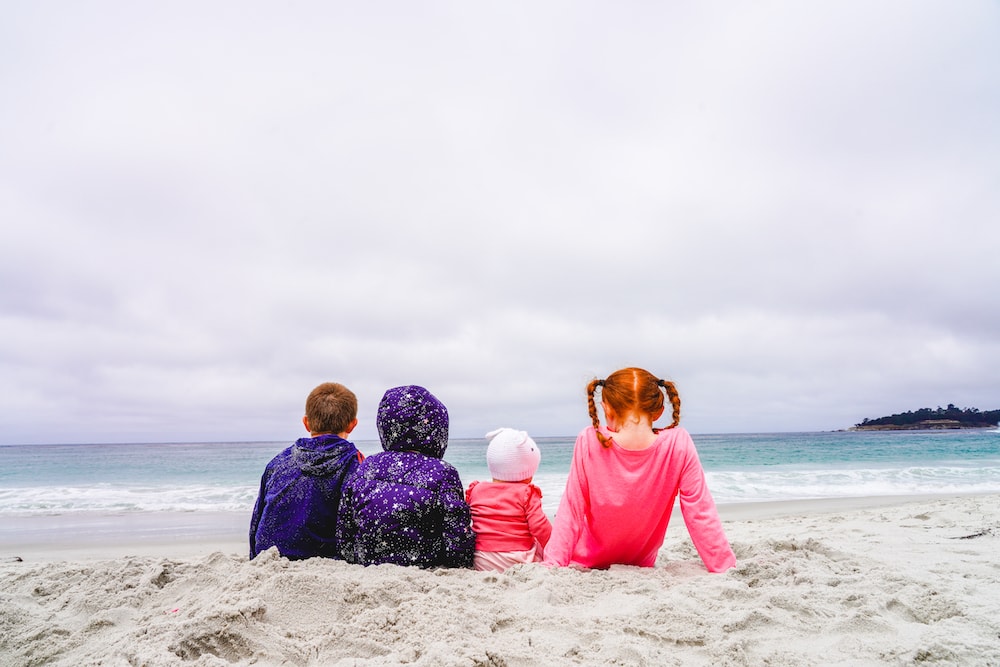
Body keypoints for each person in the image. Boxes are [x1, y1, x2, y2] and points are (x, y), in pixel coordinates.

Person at [543, 367, 736, 572]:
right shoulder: (678, 443)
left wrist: (553, 565)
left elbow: (571, 509)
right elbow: (700, 511)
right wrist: (723, 567)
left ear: (607, 408)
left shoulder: (589, 439)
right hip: (640, 564)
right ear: (659, 411)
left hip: (585, 561)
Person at [337, 385, 475, 568]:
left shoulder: (366, 468)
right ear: (437, 430)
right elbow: (458, 539)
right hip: (425, 567)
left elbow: (345, 532)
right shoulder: (443, 473)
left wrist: (352, 558)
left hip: (368, 566)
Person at [249, 382, 364, 560]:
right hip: (324, 559)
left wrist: (253, 557)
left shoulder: (277, 463)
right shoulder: (356, 464)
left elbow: (256, 521)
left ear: (306, 423)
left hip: (270, 557)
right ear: (352, 425)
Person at [466, 427, 553, 572]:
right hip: (517, 559)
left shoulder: (476, 489)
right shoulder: (526, 493)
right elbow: (540, 527)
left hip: (481, 559)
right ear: (529, 473)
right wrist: (555, 546)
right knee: (539, 545)